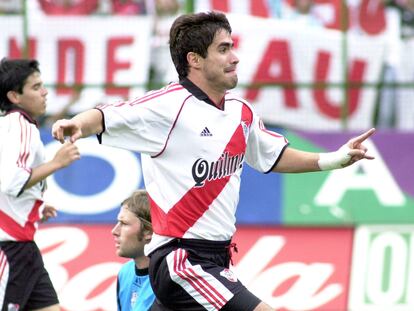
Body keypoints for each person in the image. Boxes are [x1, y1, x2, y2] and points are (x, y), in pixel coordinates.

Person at [52, 11, 375, 311]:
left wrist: (336, 158)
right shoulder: (166, 107)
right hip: (182, 259)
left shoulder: (240, 110)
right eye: (223, 49)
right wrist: (77, 124)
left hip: (217, 257)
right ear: (194, 59)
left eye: (232, 47)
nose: (234, 57)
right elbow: (107, 116)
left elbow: (273, 156)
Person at [0, 58, 80, 310]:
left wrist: (34, 204)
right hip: (10, 247)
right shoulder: (20, 126)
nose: (45, 92)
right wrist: (57, 163)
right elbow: (12, 181)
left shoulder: (13, 126)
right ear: (14, 96)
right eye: (36, 87)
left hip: (24, 246)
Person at [112, 189, 155, 310]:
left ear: (149, 231)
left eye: (124, 223)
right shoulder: (125, 272)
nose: (114, 231)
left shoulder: (172, 279)